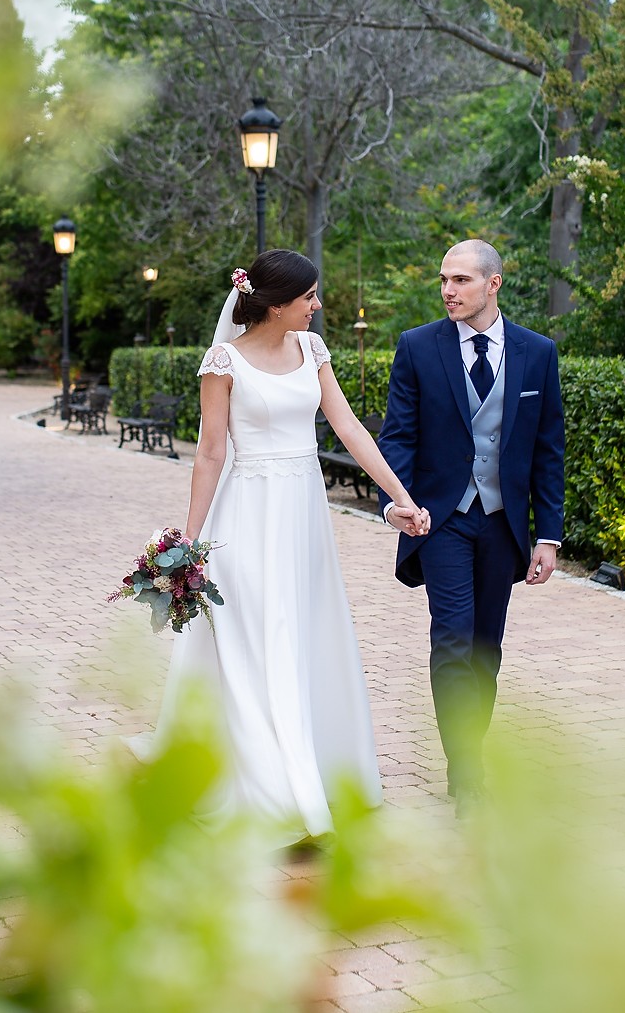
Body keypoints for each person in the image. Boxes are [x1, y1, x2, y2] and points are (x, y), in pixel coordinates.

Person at [151, 249, 429, 842]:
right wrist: (189, 544)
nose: (317, 306)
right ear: (275, 306)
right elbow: (210, 452)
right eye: (309, 298)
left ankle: (310, 768)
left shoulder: (314, 351)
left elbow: (350, 428)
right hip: (247, 516)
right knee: (258, 639)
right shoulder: (222, 362)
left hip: (303, 516)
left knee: (301, 633)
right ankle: (272, 789)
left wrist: (399, 497)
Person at [376, 239, 565, 813]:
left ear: (494, 284)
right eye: (443, 280)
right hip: (442, 521)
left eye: (460, 280)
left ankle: (470, 750)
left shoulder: (537, 353)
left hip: (502, 524)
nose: (448, 291)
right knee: (452, 640)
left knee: (486, 648)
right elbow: (399, 435)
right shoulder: (417, 347)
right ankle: (466, 766)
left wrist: (549, 535)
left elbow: (548, 450)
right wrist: (397, 503)